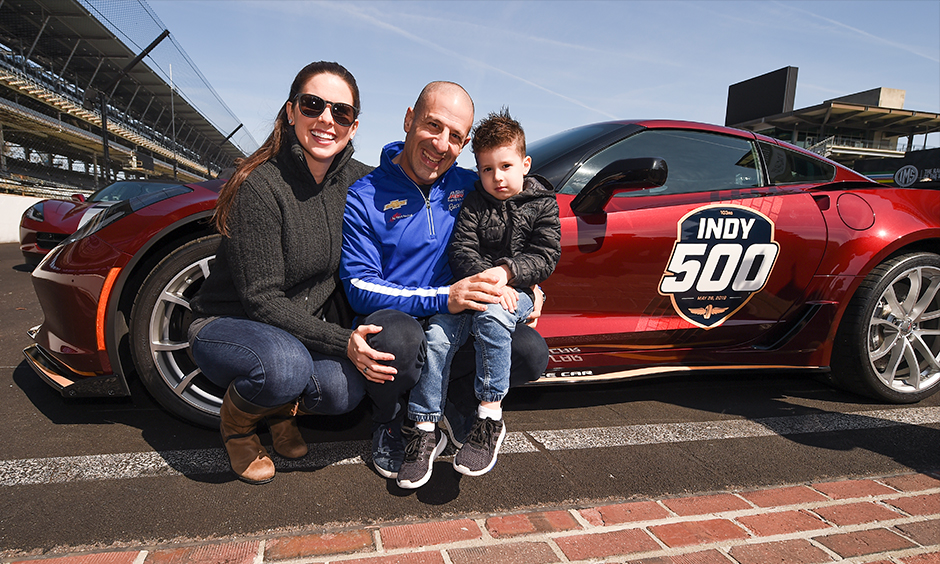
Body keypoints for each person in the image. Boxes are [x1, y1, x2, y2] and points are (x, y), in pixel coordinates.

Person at [187, 61, 425, 485]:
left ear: (354, 126)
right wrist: (342, 341)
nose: (327, 120)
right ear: (291, 111)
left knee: (343, 392)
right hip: (231, 323)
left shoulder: (358, 183)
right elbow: (262, 301)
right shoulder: (260, 186)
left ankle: (280, 410)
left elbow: (424, 206)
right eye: (314, 105)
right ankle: (238, 426)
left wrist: (512, 278)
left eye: (342, 112)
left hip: (298, 330)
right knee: (284, 365)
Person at [341, 82, 550, 486]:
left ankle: (453, 407)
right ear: (409, 120)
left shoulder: (474, 184)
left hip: (459, 317)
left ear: (465, 143)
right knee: (399, 340)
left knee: (528, 351)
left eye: (455, 136)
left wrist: (527, 283)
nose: (440, 144)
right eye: (433, 126)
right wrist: (444, 296)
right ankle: (390, 419)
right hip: (403, 319)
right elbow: (358, 287)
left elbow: (523, 233)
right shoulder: (365, 195)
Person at [444, 108, 560, 479]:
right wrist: (491, 280)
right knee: (443, 334)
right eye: (487, 169)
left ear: (525, 164)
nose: (497, 177)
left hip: (519, 291)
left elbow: (545, 255)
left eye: (506, 166)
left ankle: (490, 413)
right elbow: (462, 250)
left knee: (493, 316)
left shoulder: (543, 203)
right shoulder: (474, 202)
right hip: (485, 287)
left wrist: (508, 273)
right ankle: (441, 413)